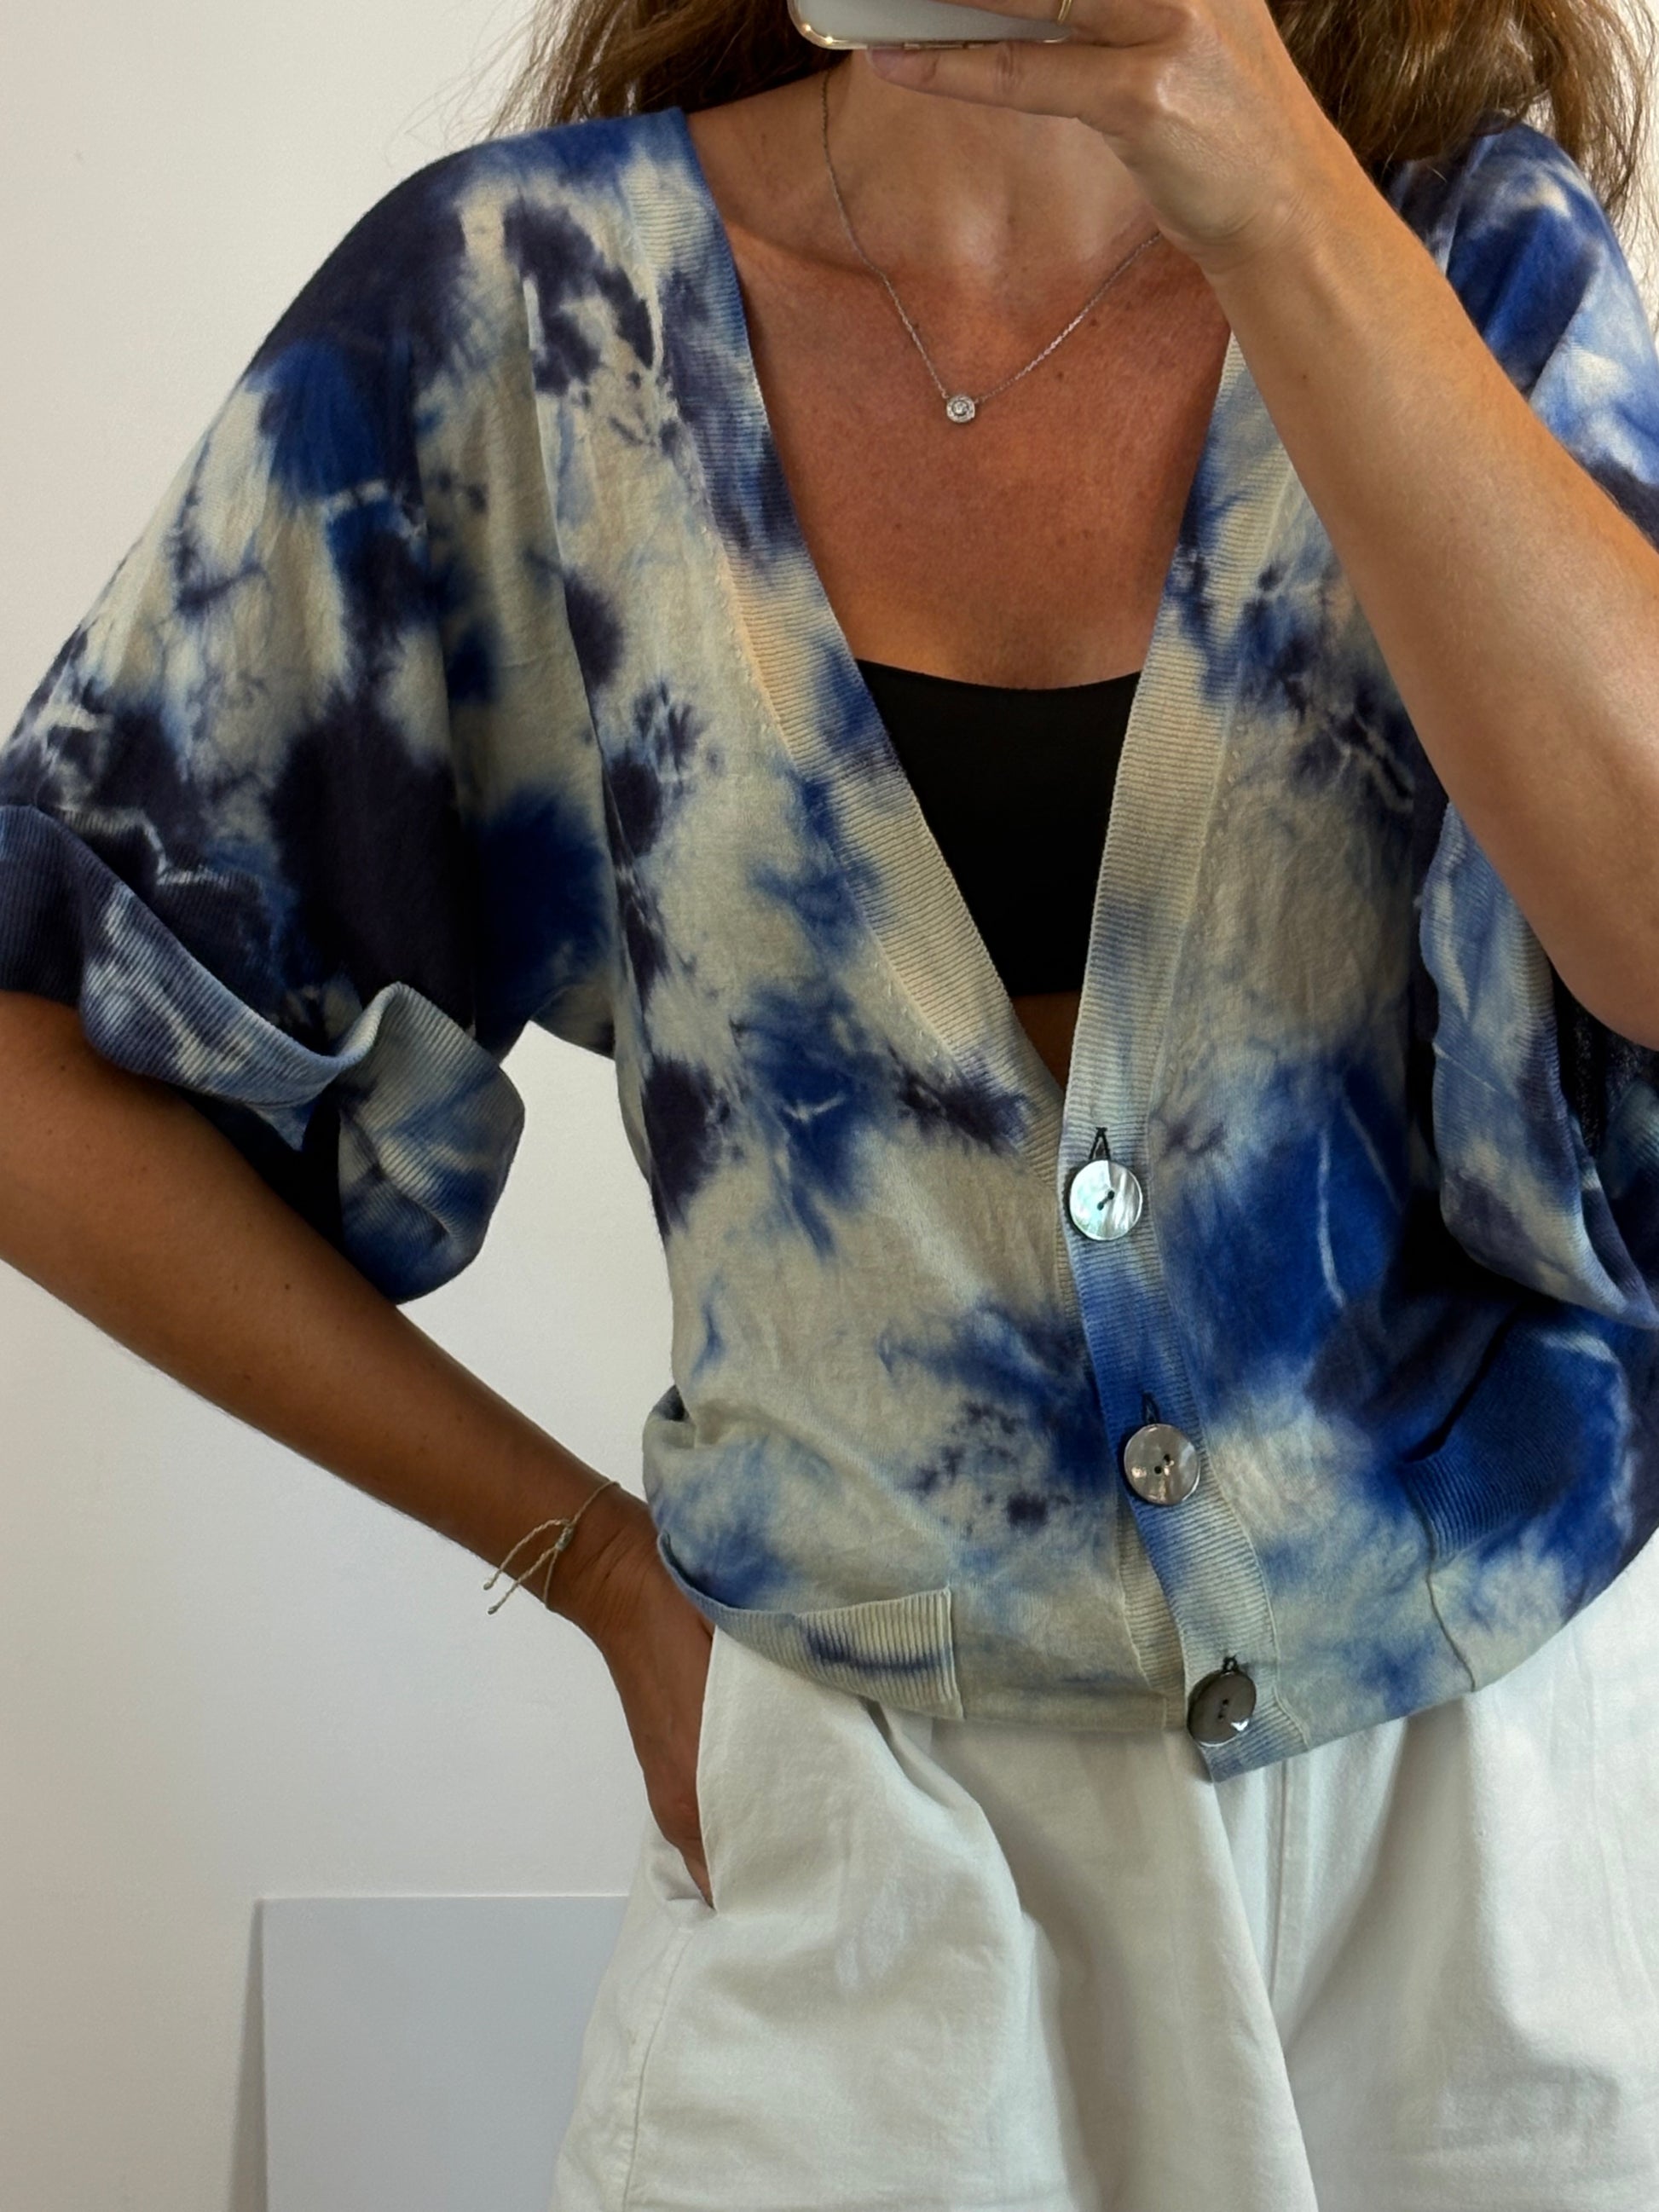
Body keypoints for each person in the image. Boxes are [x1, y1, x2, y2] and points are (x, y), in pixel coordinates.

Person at [5, 0, 1659, 2201]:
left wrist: (1263, 177)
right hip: (865, 1884)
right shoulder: (526, 314)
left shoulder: (1464, 270)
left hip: (1474, 1877)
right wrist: (590, 1561)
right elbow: (37, 1053)